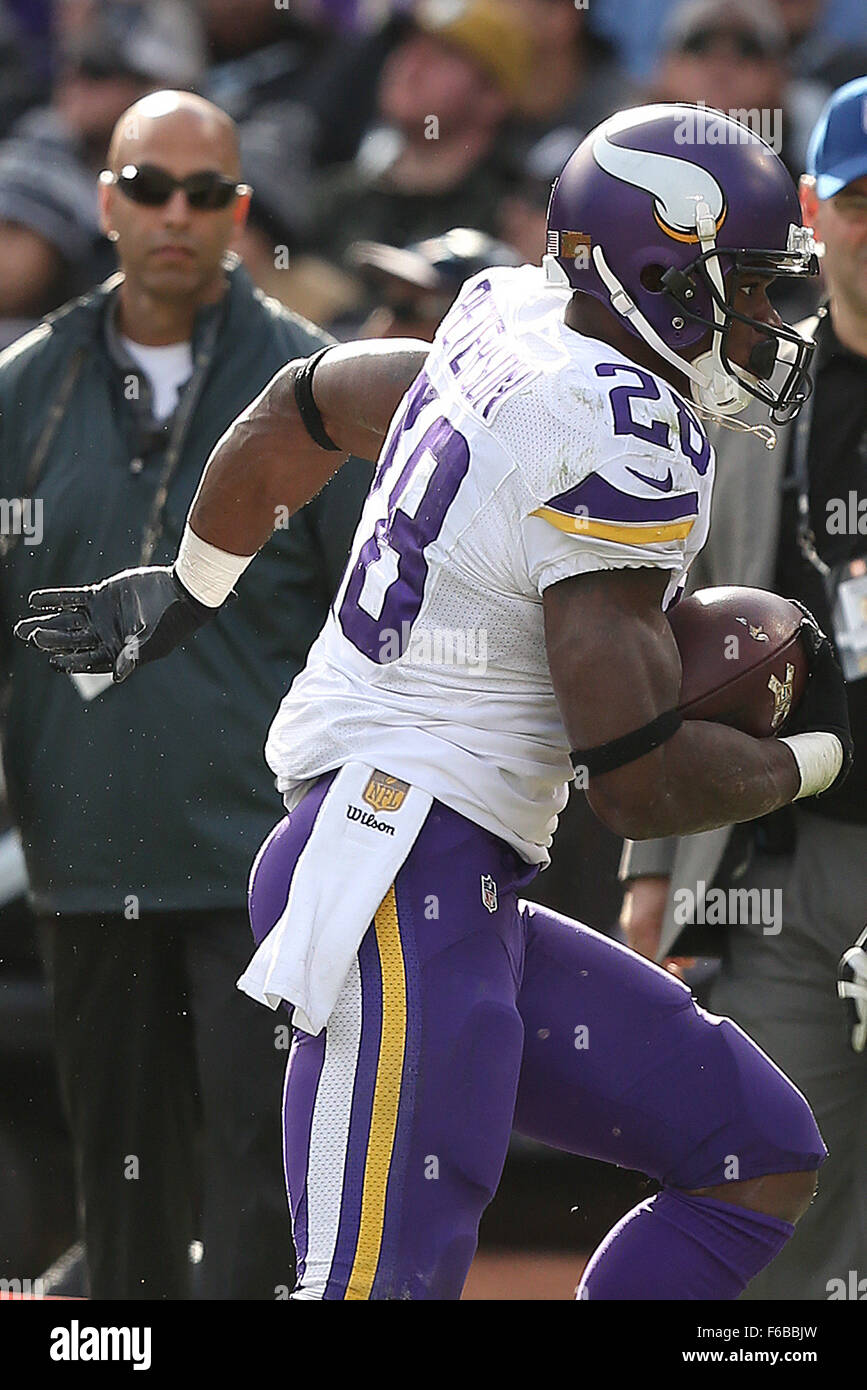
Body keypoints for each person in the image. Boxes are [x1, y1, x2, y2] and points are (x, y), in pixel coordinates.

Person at [16, 105, 853, 1301]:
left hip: (444, 875)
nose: (772, 320)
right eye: (754, 287)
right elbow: (635, 780)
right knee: (373, 1292)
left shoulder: (514, 318)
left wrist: (190, 583)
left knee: (753, 1153)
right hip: (396, 875)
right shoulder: (621, 432)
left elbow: (303, 404)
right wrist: (820, 756)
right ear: (662, 271)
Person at [2, 89, 372, 1299]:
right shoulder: (21, 392)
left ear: (239, 210)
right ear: (106, 201)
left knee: (263, 1184)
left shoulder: (313, 391)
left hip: (259, 858)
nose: (176, 213)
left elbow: (372, 630)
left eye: (204, 193)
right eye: (149, 188)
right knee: (119, 1190)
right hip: (83, 849)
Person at [619, 76, 867, 1300]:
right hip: (776, 851)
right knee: (774, 1196)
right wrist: (652, 872)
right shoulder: (749, 395)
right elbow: (663, 627)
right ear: (816, 208)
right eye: (866, 198)